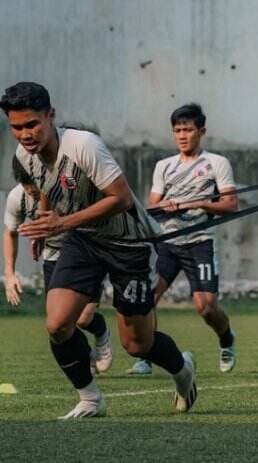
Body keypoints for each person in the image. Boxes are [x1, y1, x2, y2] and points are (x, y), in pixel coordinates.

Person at [1, 81, 196, 419]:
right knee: (58, 324)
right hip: (83, 240)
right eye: (16, 127)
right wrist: (48, 219)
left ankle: (183, 372)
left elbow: (119, 199)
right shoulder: (25, 156)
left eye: (32, 124)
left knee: (138, 345)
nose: (25, 134)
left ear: (51, 115)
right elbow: (48, 186)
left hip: (128, 245)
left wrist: (62, 223)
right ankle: (91, 398)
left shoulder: (84, 146)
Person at [128, 103, 239, 375]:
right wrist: (166, 205)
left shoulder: (217, 163)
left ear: (201, 131)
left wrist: (200, 203)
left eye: (188, 129)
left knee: (206, 308)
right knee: (147, 299)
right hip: (167, 243)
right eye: (177, 130)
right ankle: (145, 356)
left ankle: (227, 339)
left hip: (200, 242)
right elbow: (150, 205)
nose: (182, 135)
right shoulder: (164, 166)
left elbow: (230, 204)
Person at [3, 156, 113, 374]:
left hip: (85, 252)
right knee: (59, 322)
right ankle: (86, 356)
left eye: (36, 183)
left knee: (83, 318)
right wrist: (9, 273)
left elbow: (93, 204)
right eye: (28, 185)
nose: (34, 190)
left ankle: (101, 335)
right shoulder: (17, 198)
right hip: (53, 257)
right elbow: (10, 232)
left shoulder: (66, 184)